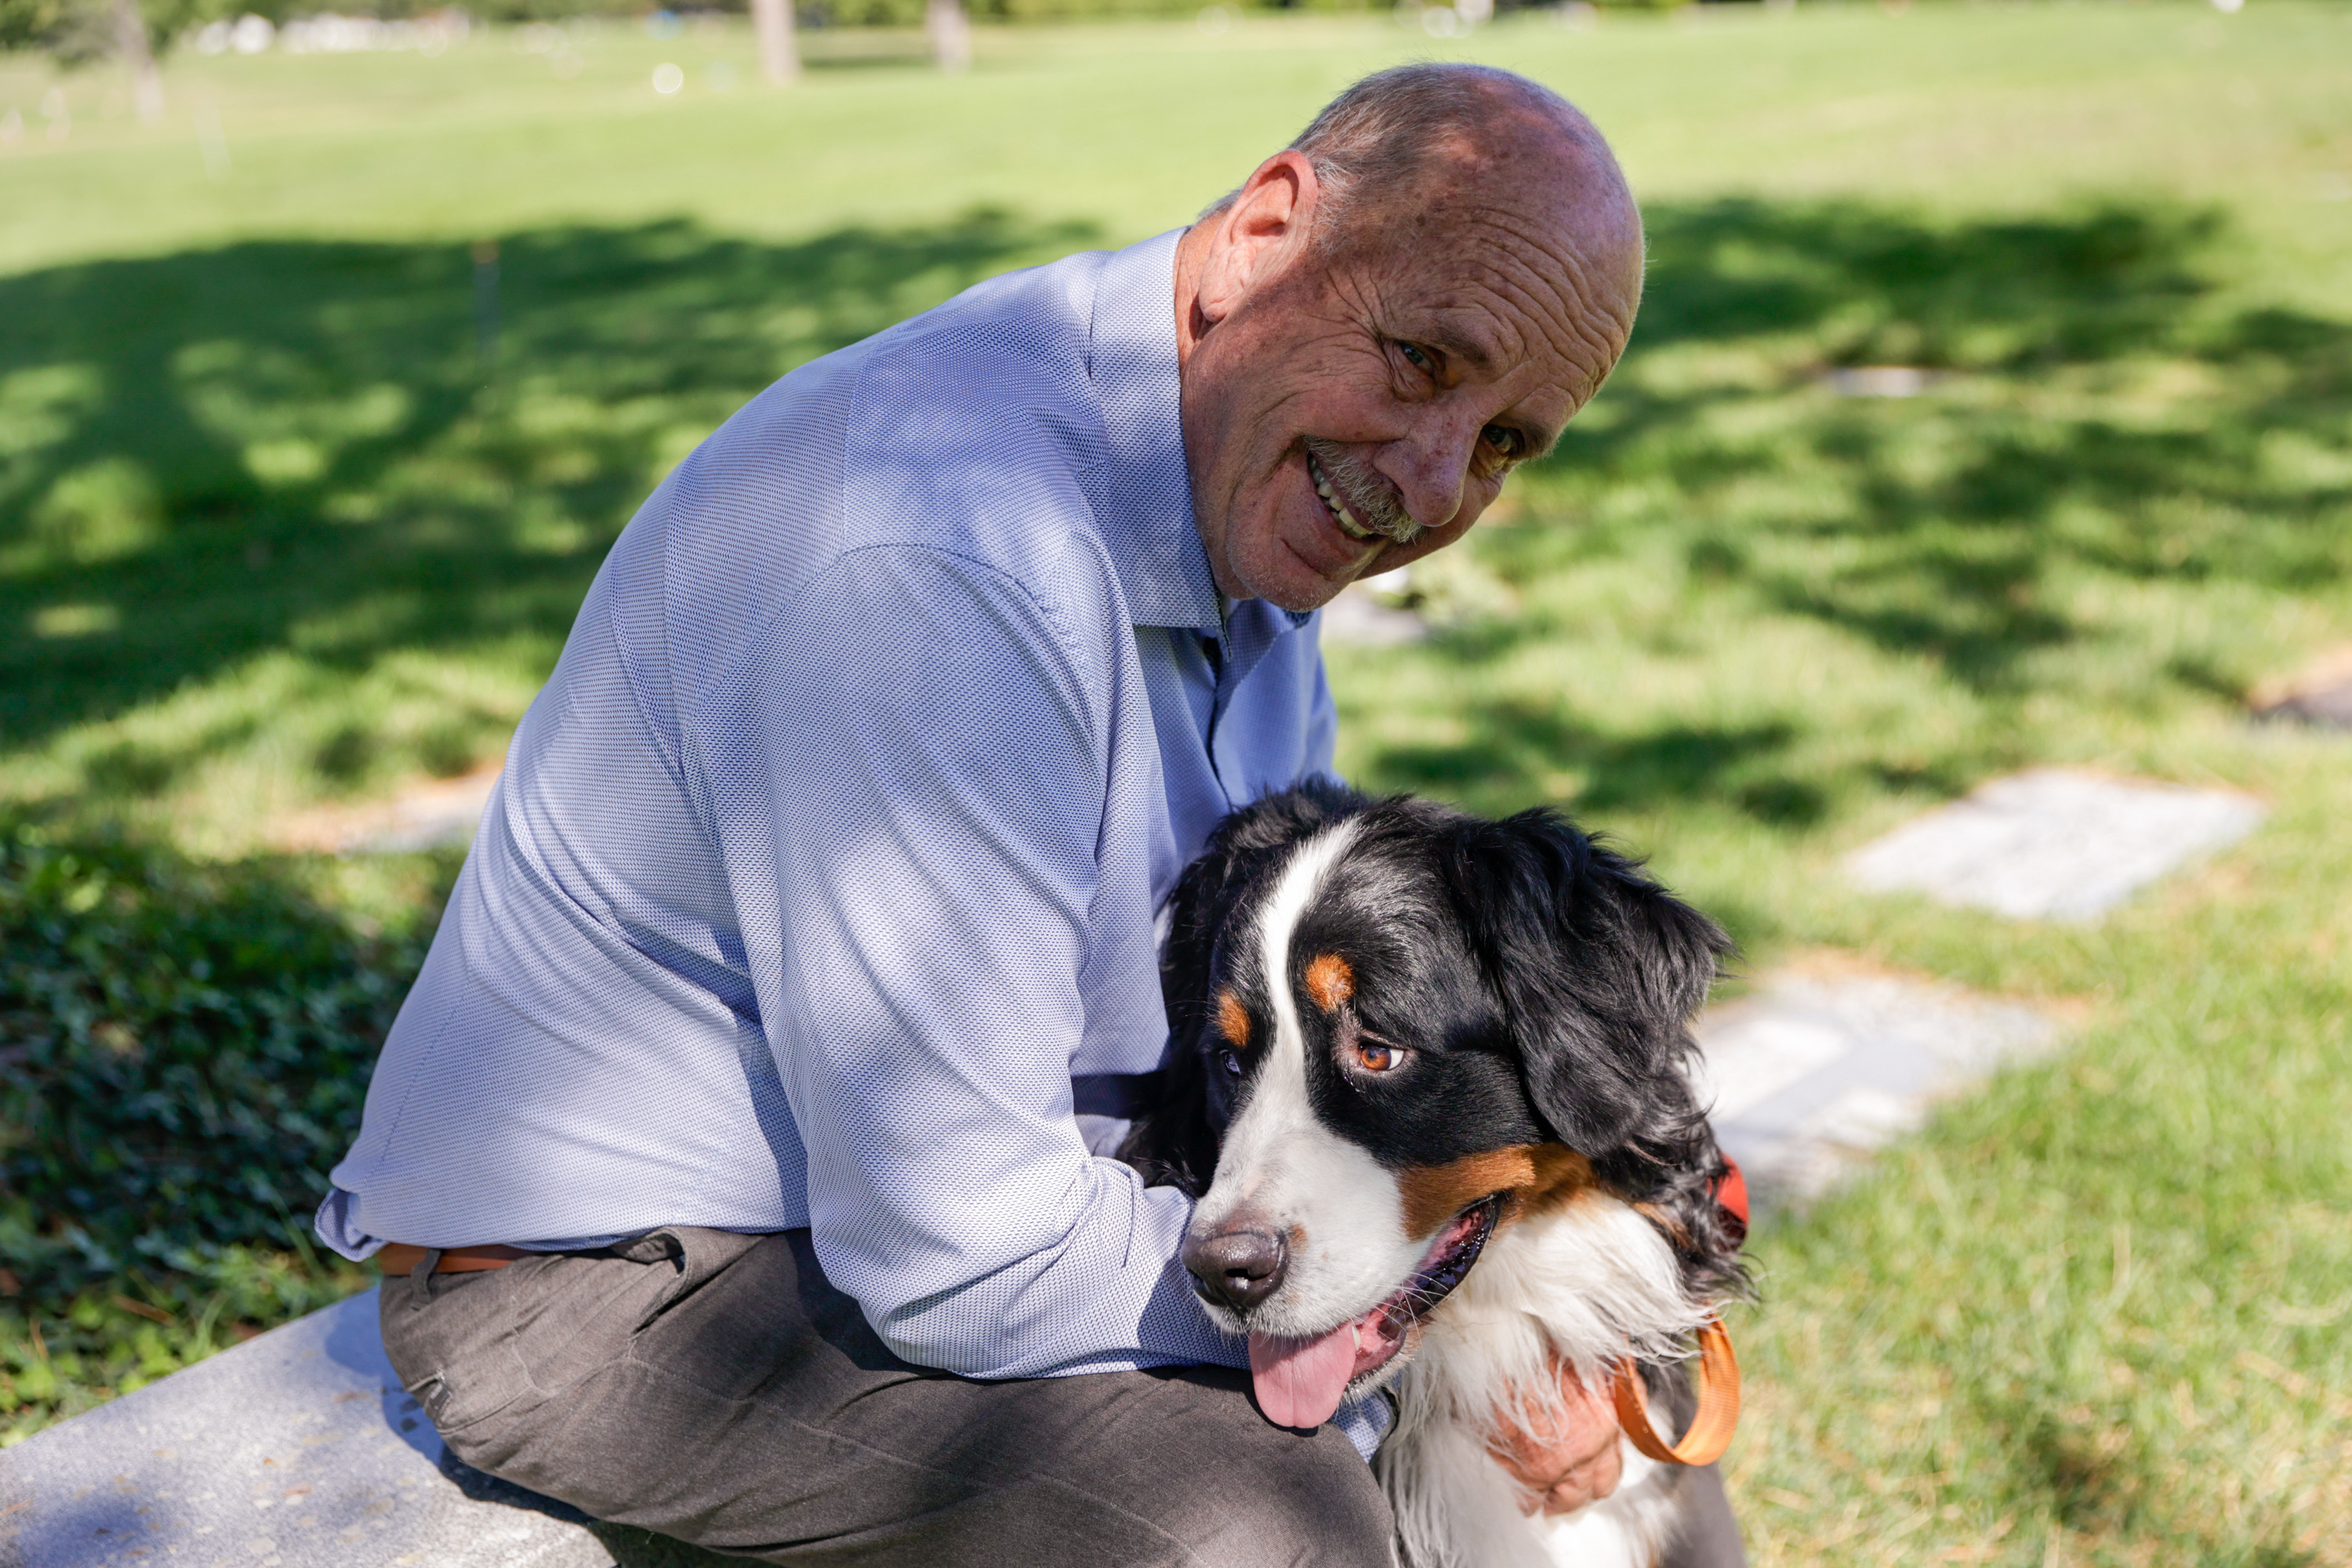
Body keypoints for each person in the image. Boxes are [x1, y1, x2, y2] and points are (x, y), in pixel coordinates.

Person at [318, 62, 1744, 1567]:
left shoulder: (1256, 476)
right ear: (1268, 230)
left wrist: (1581, 1270)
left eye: (1510, 441)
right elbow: (959, 1251)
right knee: (1253, 1527)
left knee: (1626, 1357)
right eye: (1421, 361)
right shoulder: (936, 558)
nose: (1435, 482)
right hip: (632, 1279)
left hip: (969, 1184)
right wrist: (1436, 1338)